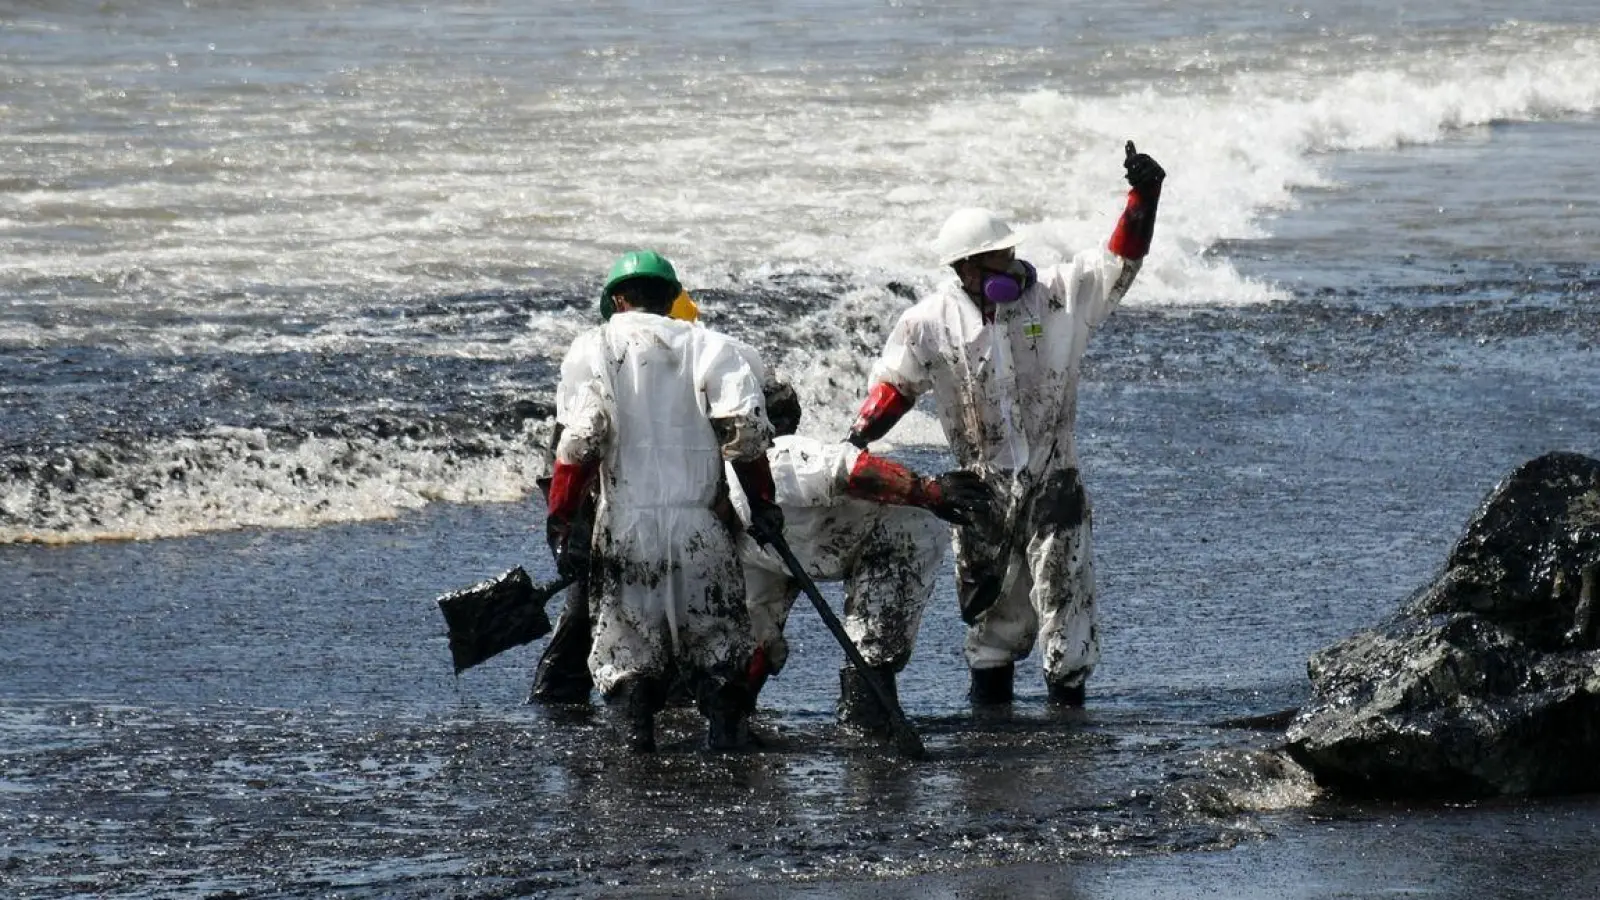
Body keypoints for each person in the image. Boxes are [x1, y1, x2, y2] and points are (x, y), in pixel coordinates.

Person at [845, 141, 1166, 708]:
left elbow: (1119, 262)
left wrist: (1144, 196)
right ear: (964, 268)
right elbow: (894, 387)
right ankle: (990, 725)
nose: (1009, 265)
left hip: (1054, 476)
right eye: (994, 259)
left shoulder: (1058, 298)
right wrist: (855, 441)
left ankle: (1068, 720)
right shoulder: (929, 323)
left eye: (1010, 251)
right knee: (991, 615)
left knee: (1065, 600)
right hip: (982, 485)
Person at [546, 249, 782, 752]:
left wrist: (562, 520)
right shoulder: (713, 347)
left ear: (618, 299)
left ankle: (638, 752)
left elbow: (580, 441)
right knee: (717, 648)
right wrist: (762, 503)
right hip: (702, 528)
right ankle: (726, 749)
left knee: (628, 652)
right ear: (673, 298)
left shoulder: (593, 348)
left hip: (626, 526)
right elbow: (747, 433)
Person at [726, 380, 995, 733]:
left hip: (890, 535)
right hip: (791, 544)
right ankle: (735, 714)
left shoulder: (784, 456)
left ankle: (866, 713)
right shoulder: (720, 482)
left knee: (872, 642)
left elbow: (852, 469)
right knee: (748, 635)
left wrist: (929, 491)